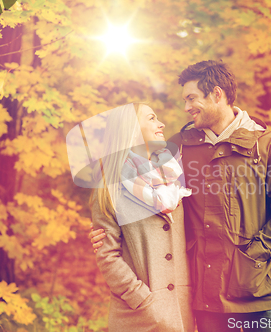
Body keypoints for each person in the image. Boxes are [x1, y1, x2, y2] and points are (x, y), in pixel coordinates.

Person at [90, 61, 271, 332]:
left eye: (192, 98)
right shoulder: (177, 147)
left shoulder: (266, 145)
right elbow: (137, 184)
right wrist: (105, 227)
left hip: (261, 292)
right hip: (206, 296)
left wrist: (251, 257)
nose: (186, 107)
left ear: (217, 94)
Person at [83, 103, 195, 332]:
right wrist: (142, 299)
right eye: (152, 118)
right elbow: (108, 256)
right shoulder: (110, 189)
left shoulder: (175, 178)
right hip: (138, 315)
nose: (161, 123)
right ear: (131, 128)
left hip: (184, 309)